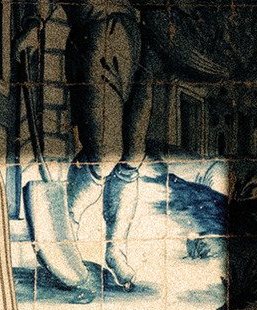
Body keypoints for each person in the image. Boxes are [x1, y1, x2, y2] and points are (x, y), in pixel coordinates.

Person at [17, 1, 155, 289]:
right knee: (105, 153)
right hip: (95, 38)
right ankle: (64, 227)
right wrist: (32, 24)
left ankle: (115, 248)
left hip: (138, 43)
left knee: (133, 155)